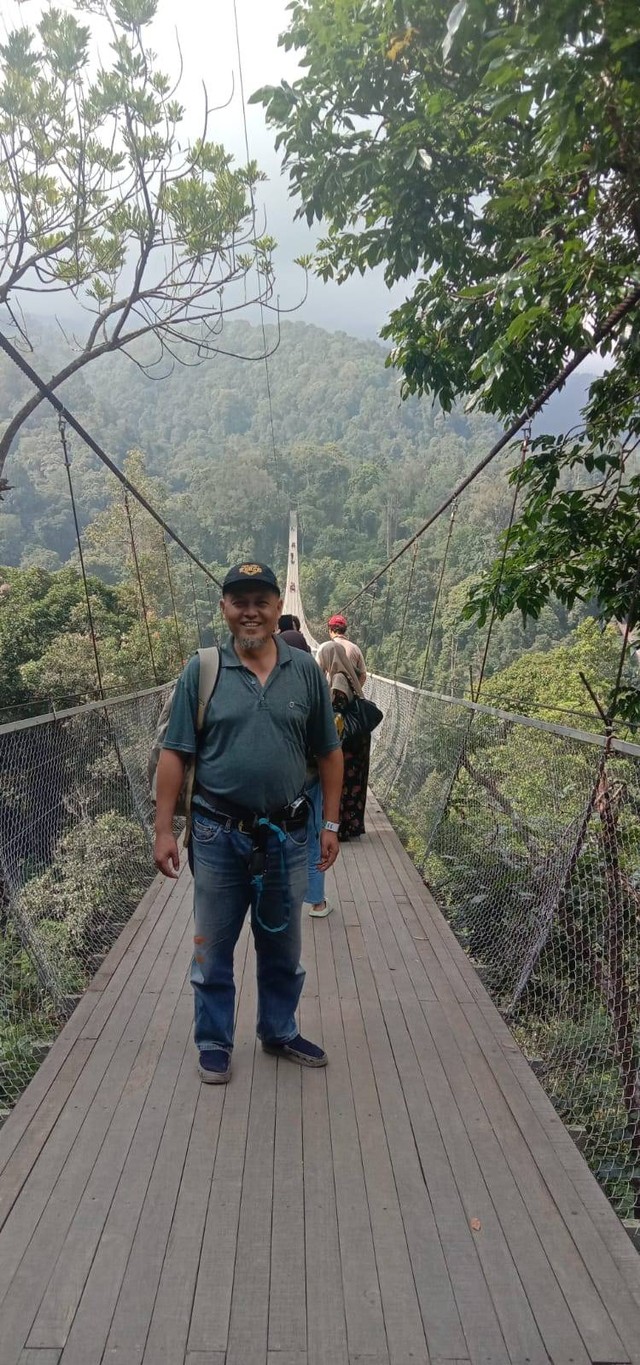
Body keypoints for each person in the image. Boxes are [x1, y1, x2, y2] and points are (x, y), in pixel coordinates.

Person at [154, 562, 344, 1084]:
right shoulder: (203, 669)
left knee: (283, 948)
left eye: (261, 600)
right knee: (212, 948)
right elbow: (175, 752)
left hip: (286, 835)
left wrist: (331, 824)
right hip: (217, 834)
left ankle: (278, 1030)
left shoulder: (305, 670)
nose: (251, 611)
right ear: (225, 610)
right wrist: (164, 829)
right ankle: (214, 1042)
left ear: (279, 607)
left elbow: (329, 752)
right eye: (240, 602)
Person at [316, 638, 370, 841]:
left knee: (342, 780)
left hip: (348, 740)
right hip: (358, 739)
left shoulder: (338, 678)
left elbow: (336, 710)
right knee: (353, 780)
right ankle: (349, 826)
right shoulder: (347, 674)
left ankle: (340, 828)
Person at [327, 613, 367, 685]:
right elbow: (363, 675)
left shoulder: (325, 648)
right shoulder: (355, 649)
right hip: (349, 694)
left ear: (330, 630)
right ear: (344, 630)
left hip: (329, 693)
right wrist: (355, 691)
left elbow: (318, 673)